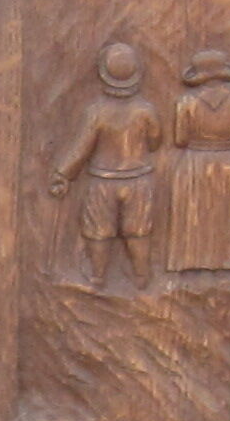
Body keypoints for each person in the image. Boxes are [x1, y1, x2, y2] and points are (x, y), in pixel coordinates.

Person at [46, 41, 167, 291]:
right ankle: (141, 276)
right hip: (138, 179)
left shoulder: (96, 112)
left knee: (99, 230)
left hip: (103, 181)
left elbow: (81, 150)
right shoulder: (145, 111)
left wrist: (63, 174)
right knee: (138, 230)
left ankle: (98, 276)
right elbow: (156, 142)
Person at [163, 49, 230, 274]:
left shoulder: (186, 100)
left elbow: (180, 139)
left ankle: (193, 261)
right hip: (227, 161)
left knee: (195, 214)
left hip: (194, 162)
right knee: (225, 214)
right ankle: (225, 262)